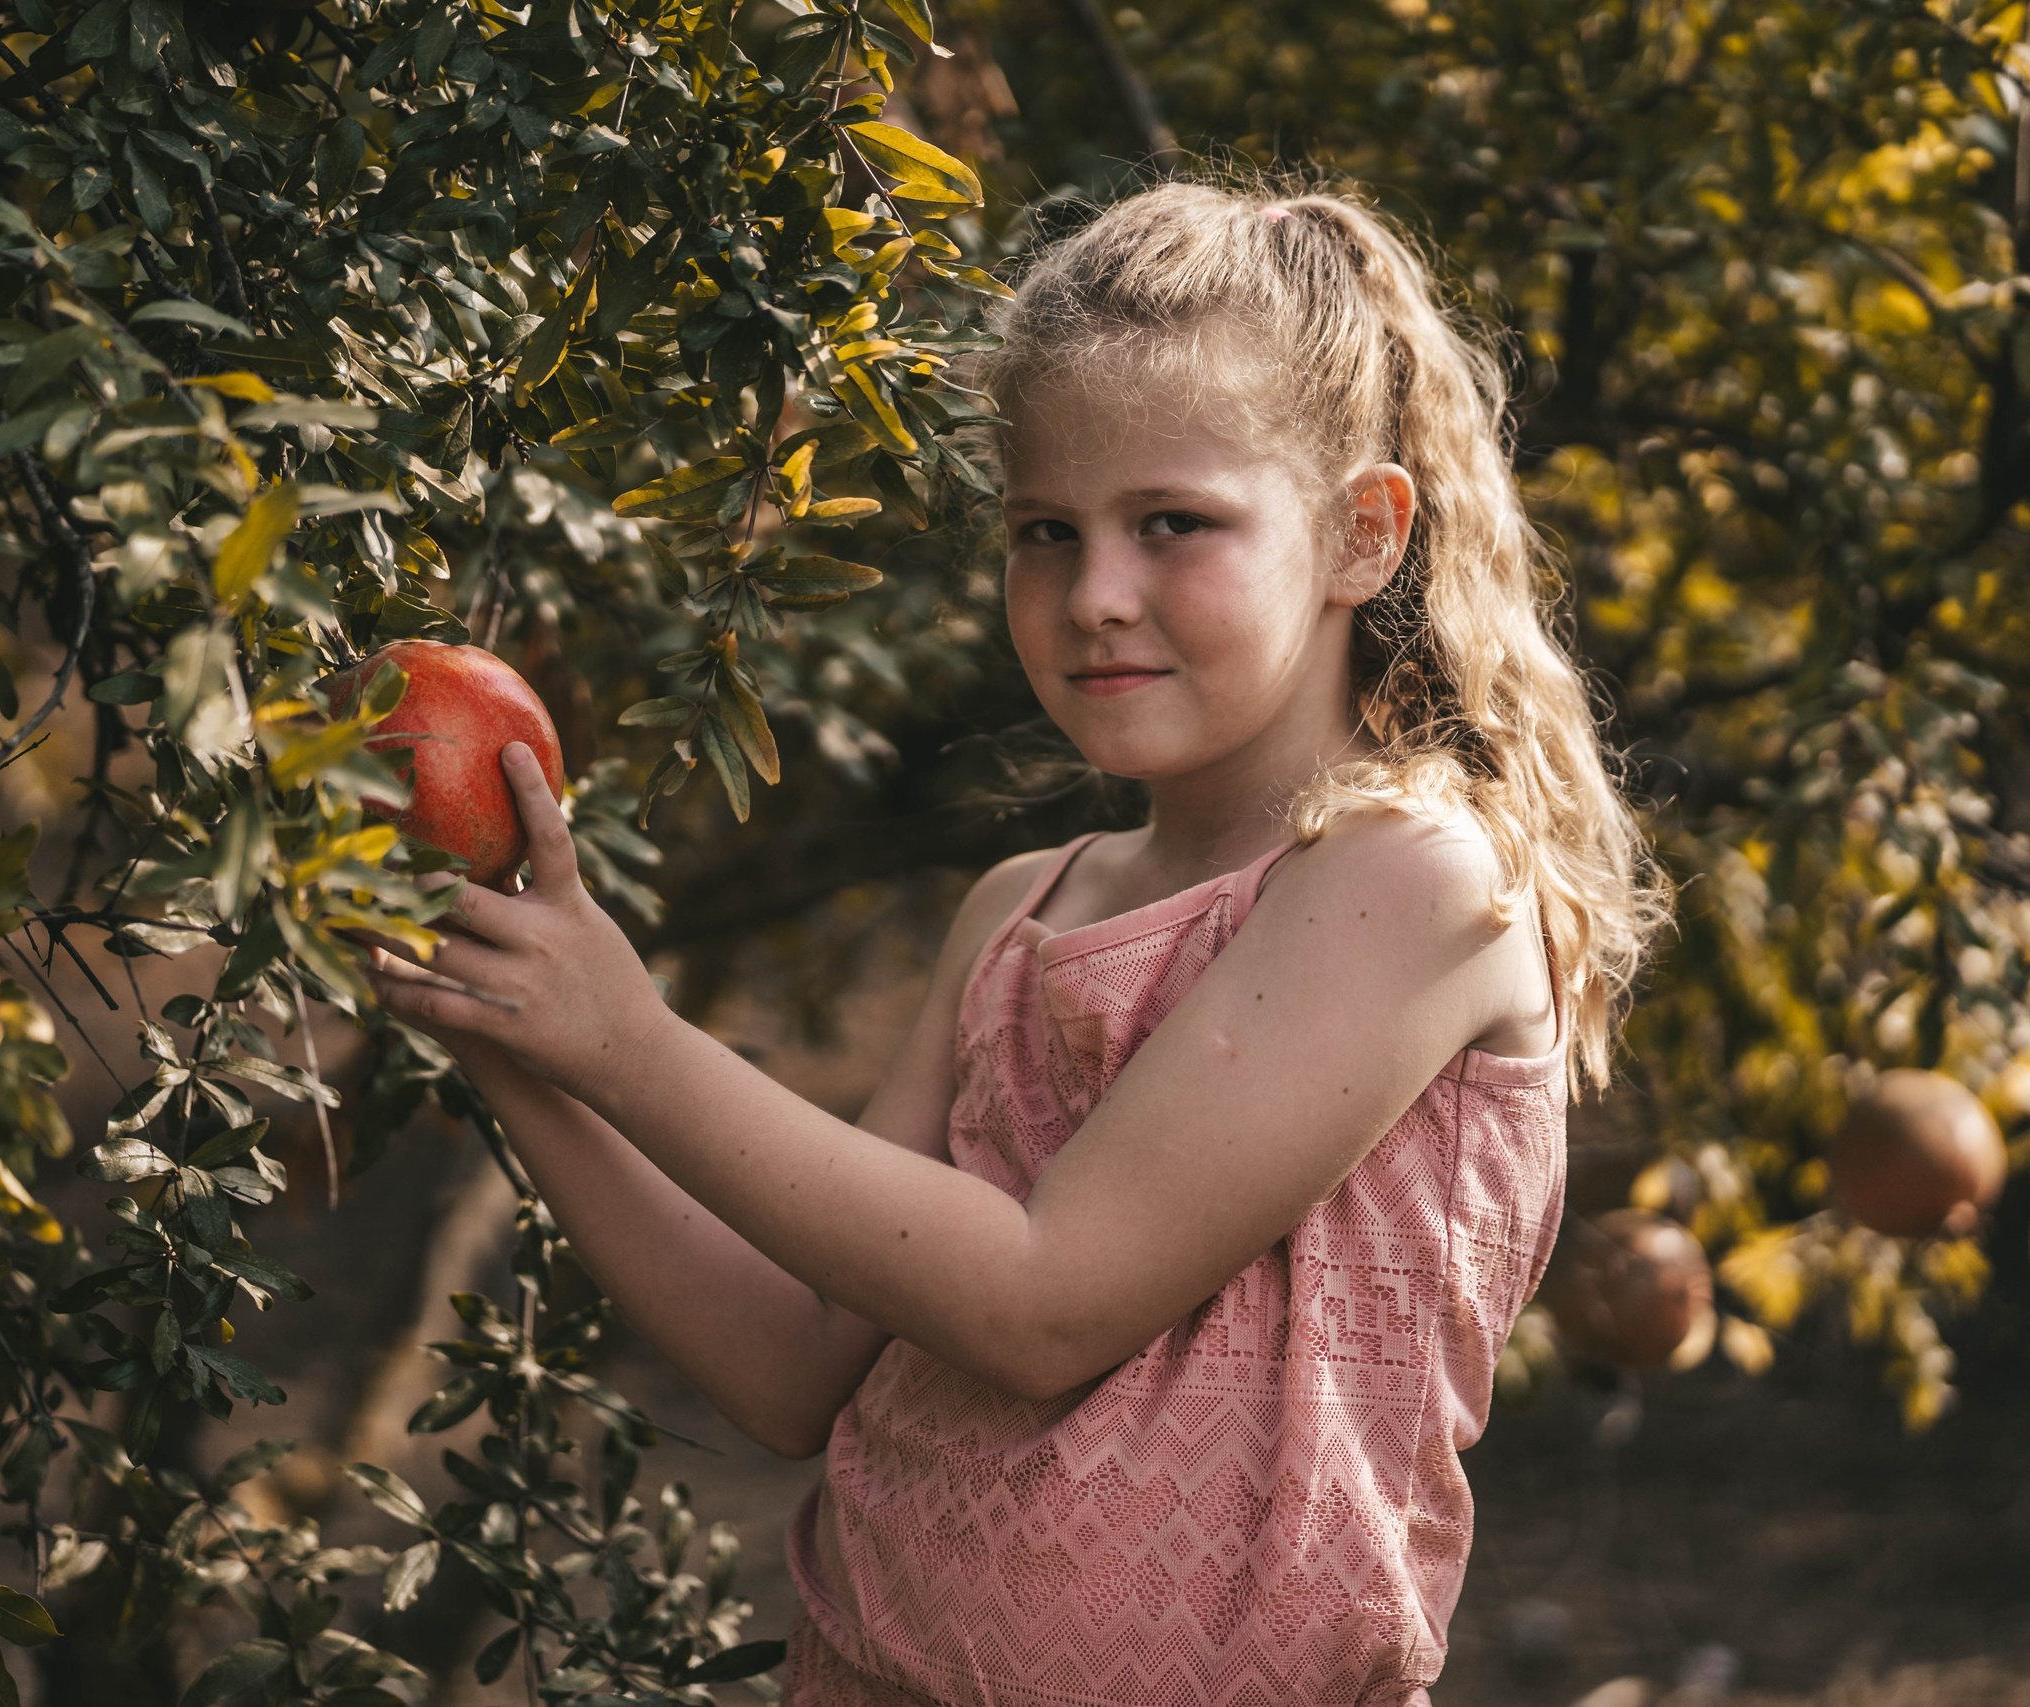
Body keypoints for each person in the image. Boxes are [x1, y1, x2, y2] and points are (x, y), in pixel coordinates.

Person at [362, 180, 1669, 1707]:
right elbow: (792, 1365)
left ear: (1361, 535)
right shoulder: (1022, 912)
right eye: (1045, 532)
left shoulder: (1414, 883)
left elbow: (1044, 1302)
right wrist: (523, 1049)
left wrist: (632, 1045)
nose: (1096, 595)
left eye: (1172, 525)